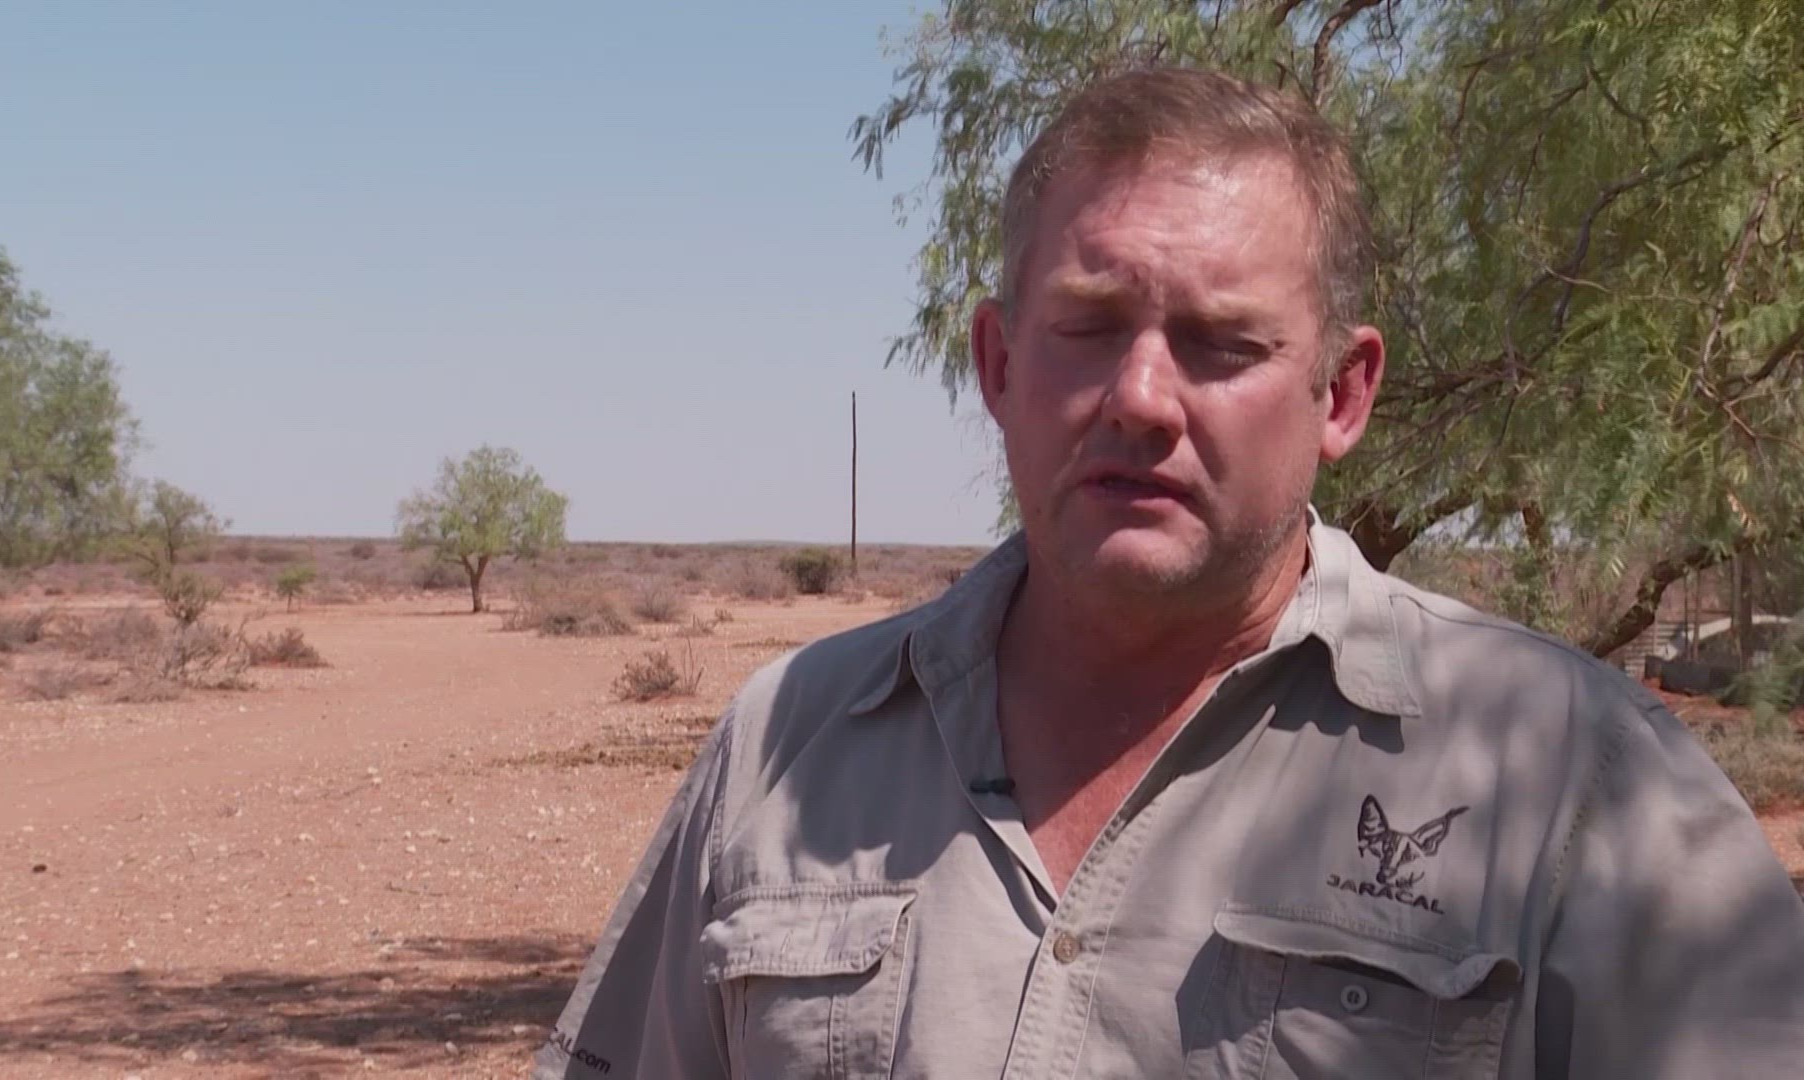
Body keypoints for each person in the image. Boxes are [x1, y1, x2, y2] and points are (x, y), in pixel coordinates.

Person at [533, 67, 1804, 1079]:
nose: (1140, 398)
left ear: (1342, 394)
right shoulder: (785, 744)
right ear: (998, 367)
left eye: (1221, 343)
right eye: (1088, 327)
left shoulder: (1578, 779)